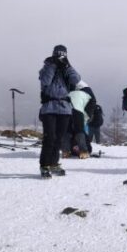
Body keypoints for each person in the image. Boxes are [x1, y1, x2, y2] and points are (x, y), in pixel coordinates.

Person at [39, 44, 81, 178]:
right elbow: (45, 81)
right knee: (49, 137)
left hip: (64, 108)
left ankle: (54, 163)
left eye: (63, 55)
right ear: (53, 54)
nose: (60, 57)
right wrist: (53, 65)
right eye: (58, 54)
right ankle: (44, 165)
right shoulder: (47, 67)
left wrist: (67, 66)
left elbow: (77, 80)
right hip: (49, 107)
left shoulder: (67, 69)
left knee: (59, 138)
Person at [68, 81, 96, 158]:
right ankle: (83, 151)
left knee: (71, 128)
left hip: (74, 99)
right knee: (79, 128)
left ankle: (67, 151)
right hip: (84, 99)